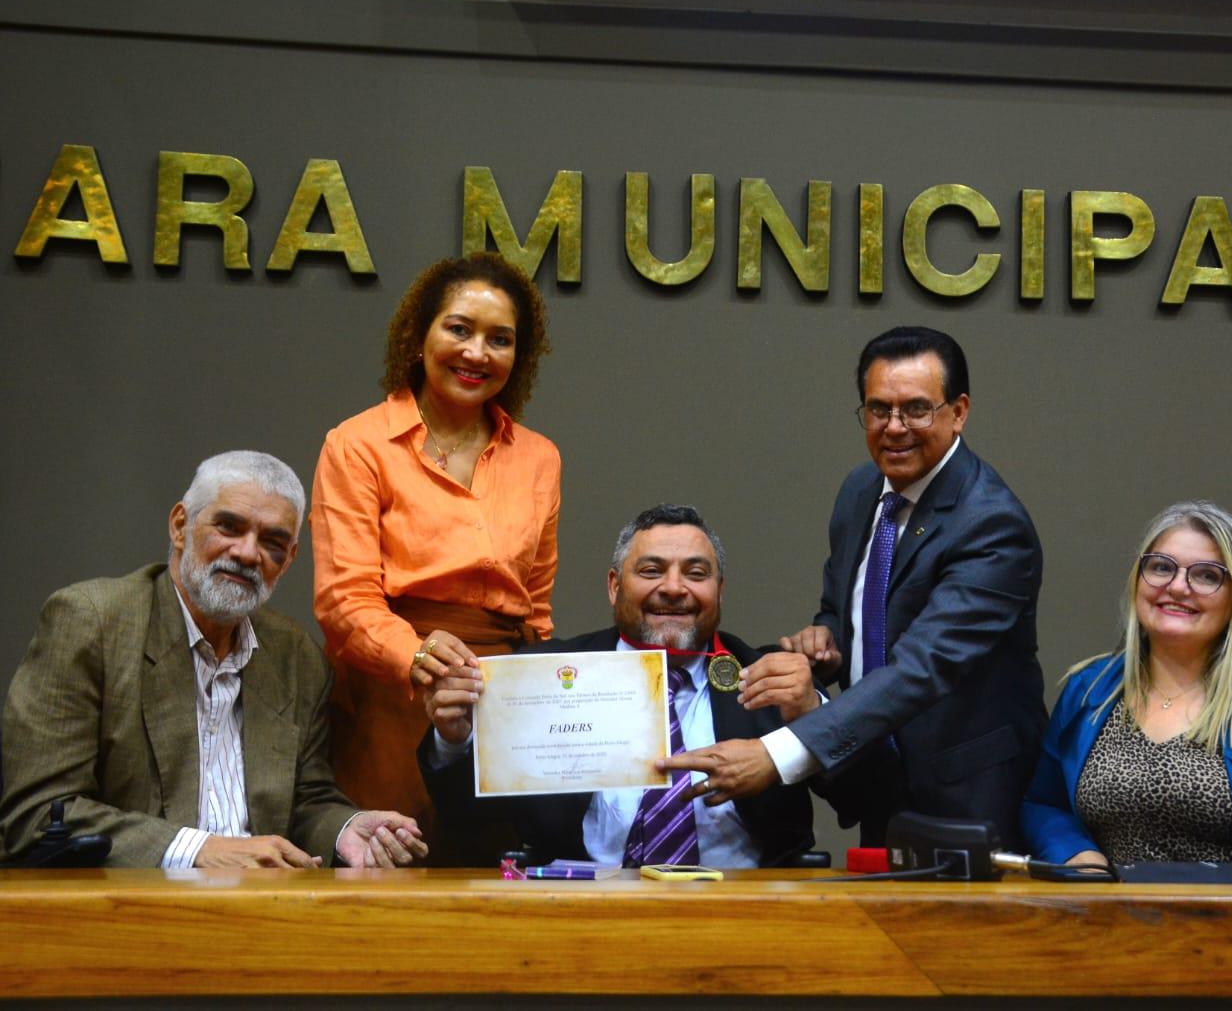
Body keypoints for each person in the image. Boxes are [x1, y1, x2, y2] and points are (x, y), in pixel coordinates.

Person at [663, 326, 1046, 849]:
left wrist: (778, 753)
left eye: (916, 409)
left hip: (969, 797)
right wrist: (826, 642)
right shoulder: (861, 491)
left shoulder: (993, 525)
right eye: (878, 409)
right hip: (878, 778)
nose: (894, 428)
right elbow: (854, 612)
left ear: (958, 412)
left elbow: (921, 667)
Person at [0, 452, 425, 868]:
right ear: (180, 525)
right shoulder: (92, 623)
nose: (246, 553)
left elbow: (306, 800)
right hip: (130, 911)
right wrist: (199, 850)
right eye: (228, 526)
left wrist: (345, 829)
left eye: (272, 542)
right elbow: (37, 815)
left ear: (289, 559)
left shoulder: (295, 657)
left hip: (265, 907)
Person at [311, 252, 560, 847]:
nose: (477, 352)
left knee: (502, 883)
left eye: (500, 339)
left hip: (503, 705)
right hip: (392, 700)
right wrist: (420, 658)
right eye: (459, 329)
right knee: (392, 882)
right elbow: (345, 603)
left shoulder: (540, 456)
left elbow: (538, 614)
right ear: (417, 336)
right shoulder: (357, 444)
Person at [419, 505, 824, 867]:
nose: (673, 587)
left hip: (749, 912)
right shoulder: (543, 675)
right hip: (582, 910)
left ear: (720, 591)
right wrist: (454, 741)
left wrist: (814, 711)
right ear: (615, 586)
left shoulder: (772, 678)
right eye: (651, 570)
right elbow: (466, 817)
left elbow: (860, 794)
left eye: (696, 573)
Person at [1021, 501, 1232, 877]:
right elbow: (1044, 804)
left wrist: (1193, 892)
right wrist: (1079, 855)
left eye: (1207, 575)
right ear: (1137, 580)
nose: (1178, 587)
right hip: (1103, 922)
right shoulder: (1090, 689)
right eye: (1161, 567)